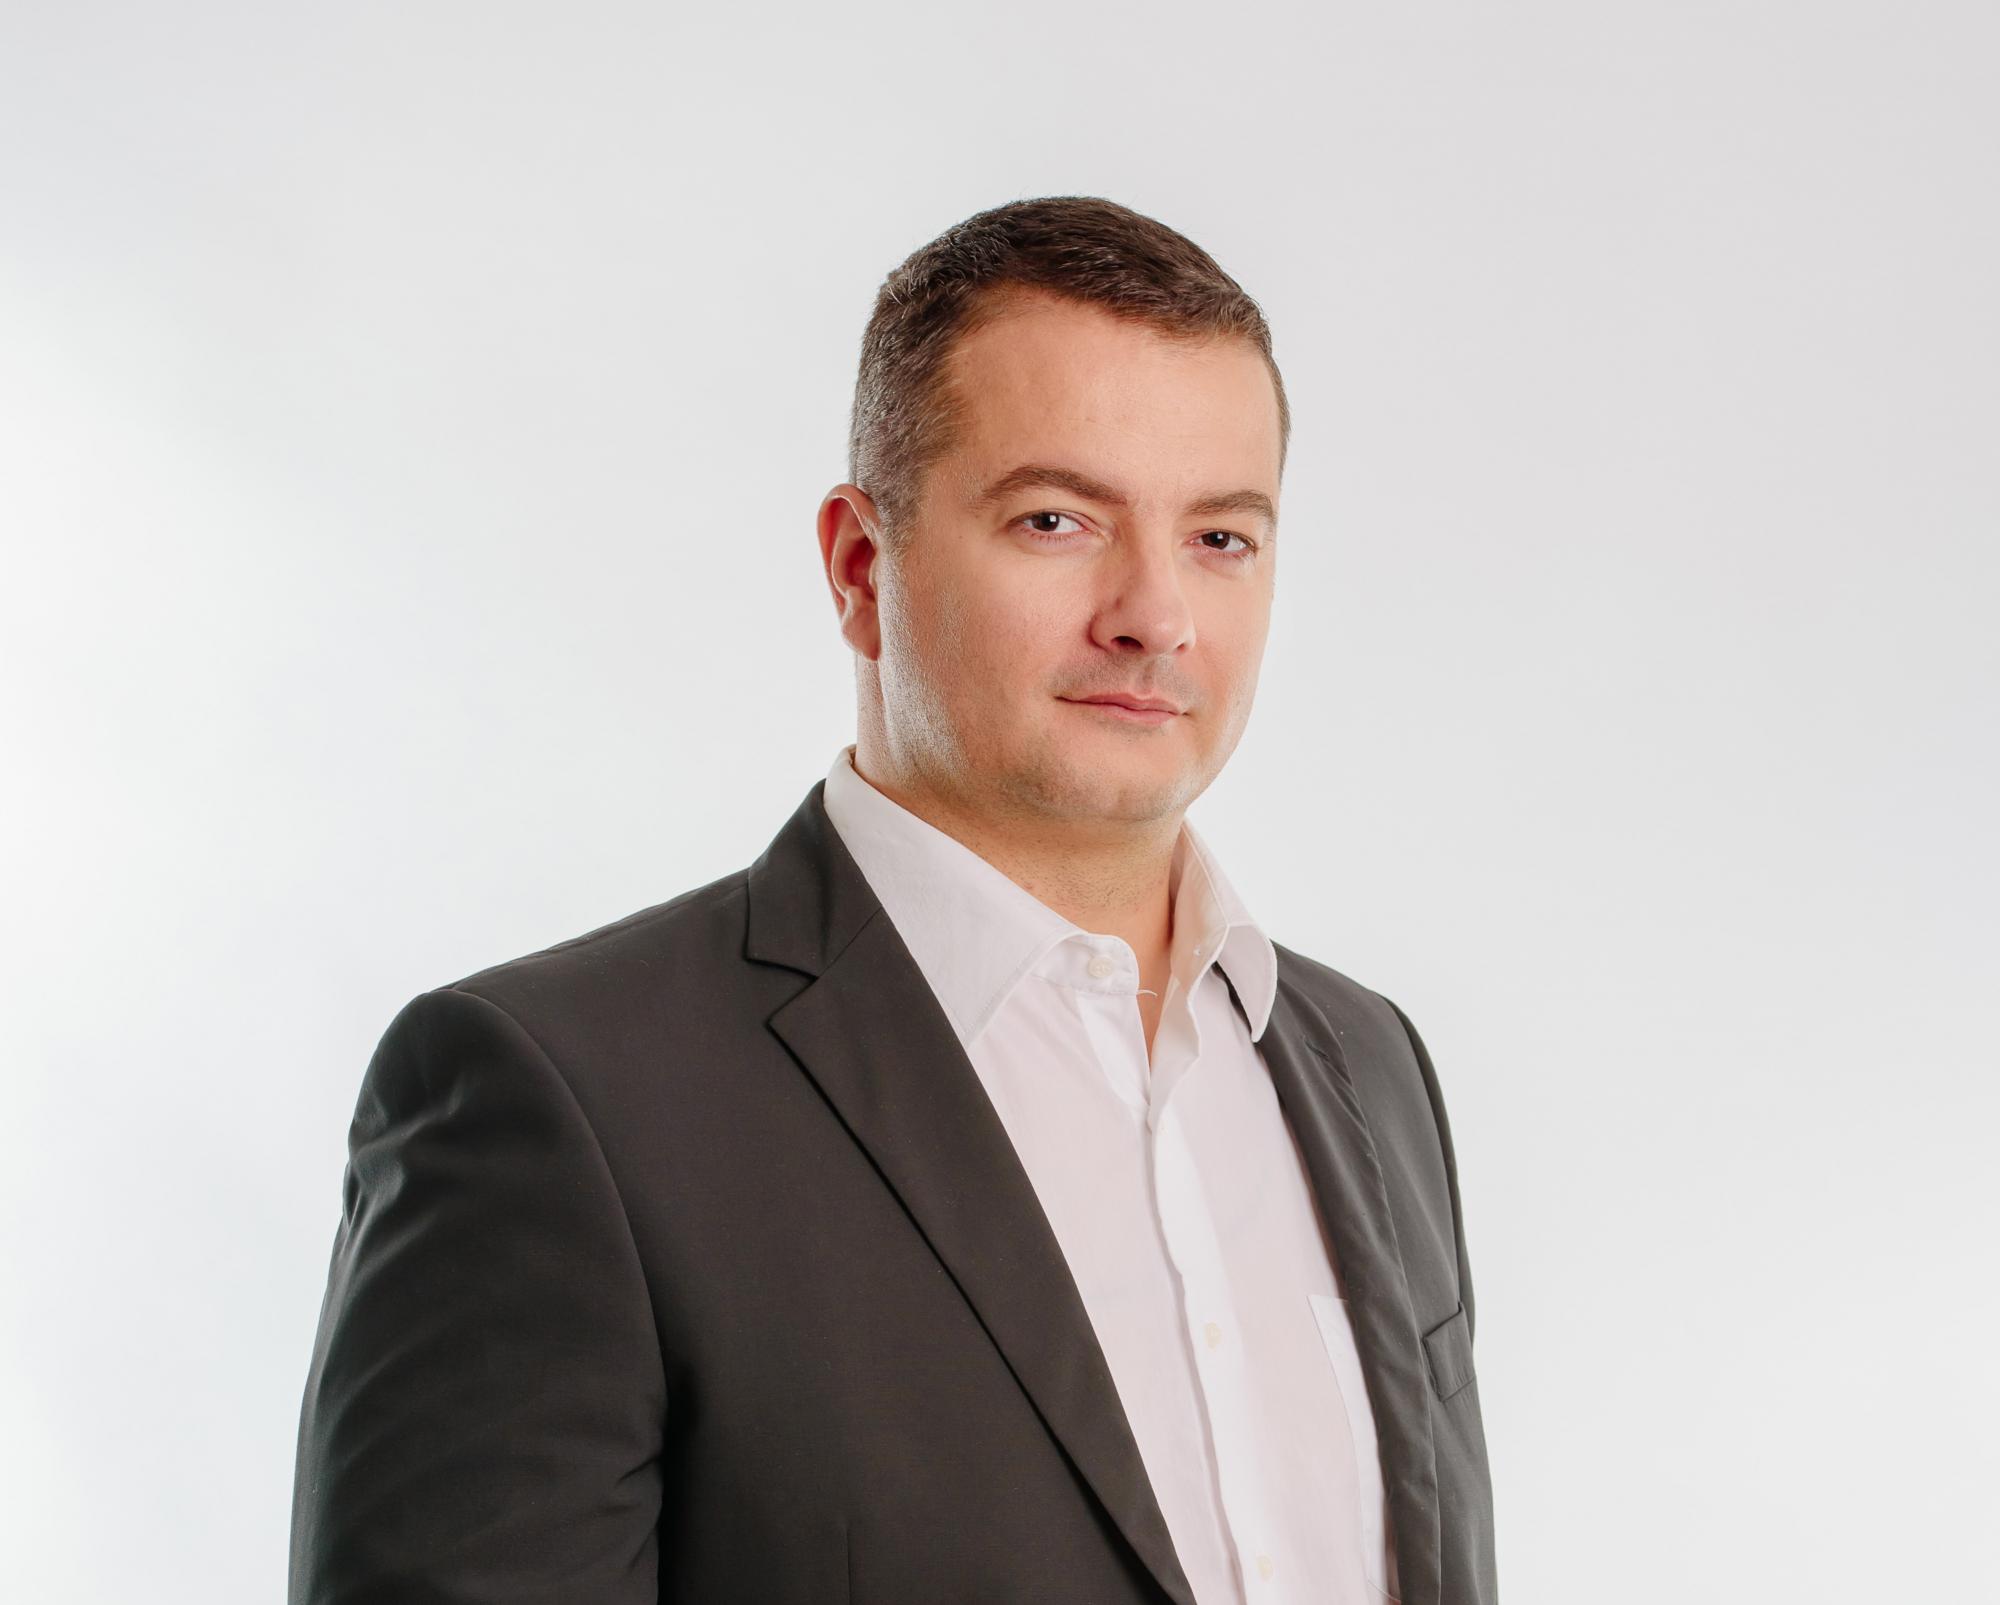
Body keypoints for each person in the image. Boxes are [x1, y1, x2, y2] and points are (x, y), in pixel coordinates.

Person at [288, 195, 1496, 1605]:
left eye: (1221, 539)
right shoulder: (565, 1101)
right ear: (862, 566)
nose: (1155, 616)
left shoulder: (1370, 1068)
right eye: (1057, 520)